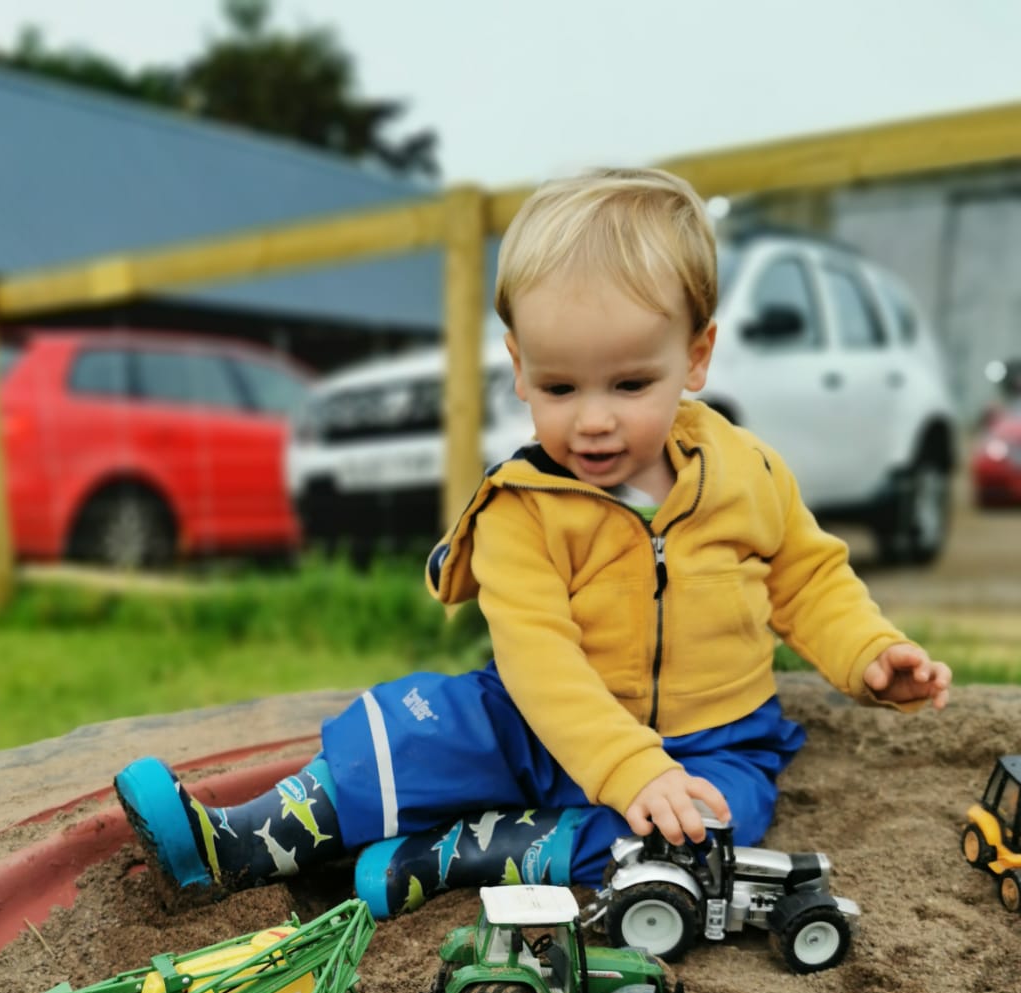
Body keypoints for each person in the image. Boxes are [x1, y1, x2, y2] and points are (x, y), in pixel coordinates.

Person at [115, 167, 951, 918]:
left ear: (696, 357)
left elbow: (807, 576)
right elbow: (539, 659)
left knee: (710, 831)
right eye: (559, 387)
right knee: (419, 731)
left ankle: (471, 852)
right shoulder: (521, 509)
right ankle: (241, 839)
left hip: (714, 733)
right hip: (536, 718)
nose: (593, 419)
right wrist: (625, 765)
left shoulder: (746, 470)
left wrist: (868, 651)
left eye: (630, 384)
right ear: (519, 367)